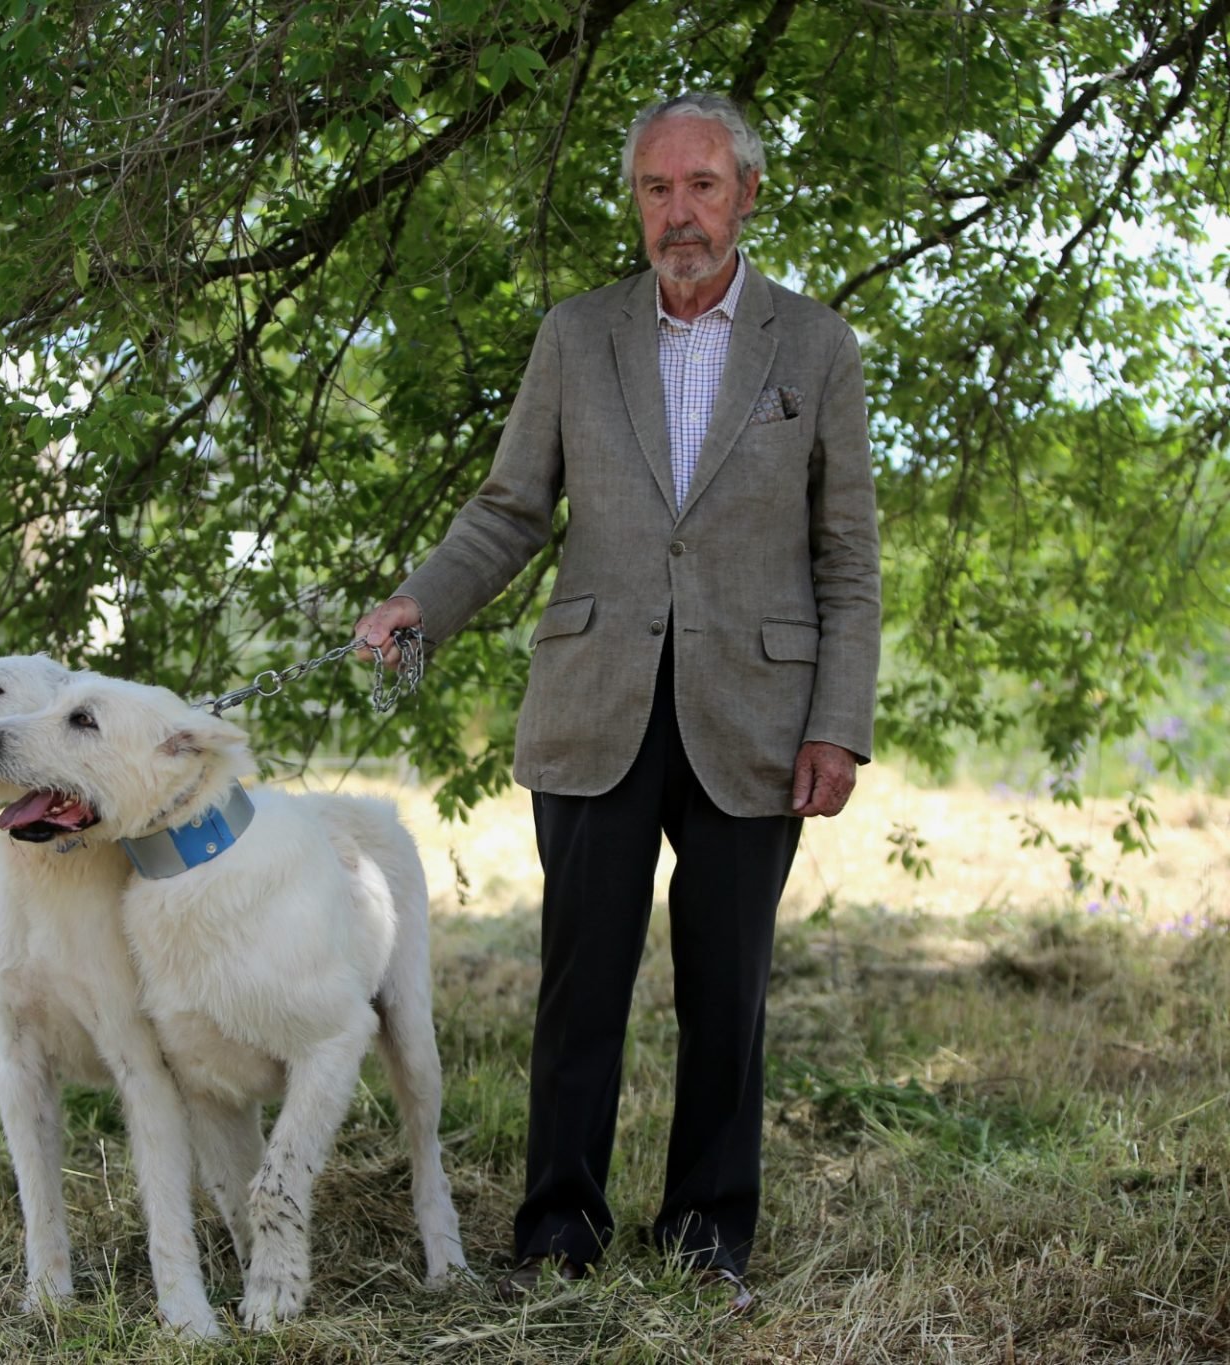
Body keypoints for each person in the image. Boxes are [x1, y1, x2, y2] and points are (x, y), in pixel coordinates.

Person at [356, 92, 880, 1309]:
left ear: (748, 193)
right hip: (595, 703)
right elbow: (508, 510)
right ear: (635, 205)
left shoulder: (816, 347)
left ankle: (708, 1237)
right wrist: (415, 605)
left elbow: (847, 556)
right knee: (581, 985)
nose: (678, 213)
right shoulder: (576, 334)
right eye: (656, 190)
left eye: (702, 187)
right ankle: (557, 1234)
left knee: (725, 990)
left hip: (758, 715)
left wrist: (837, 722)